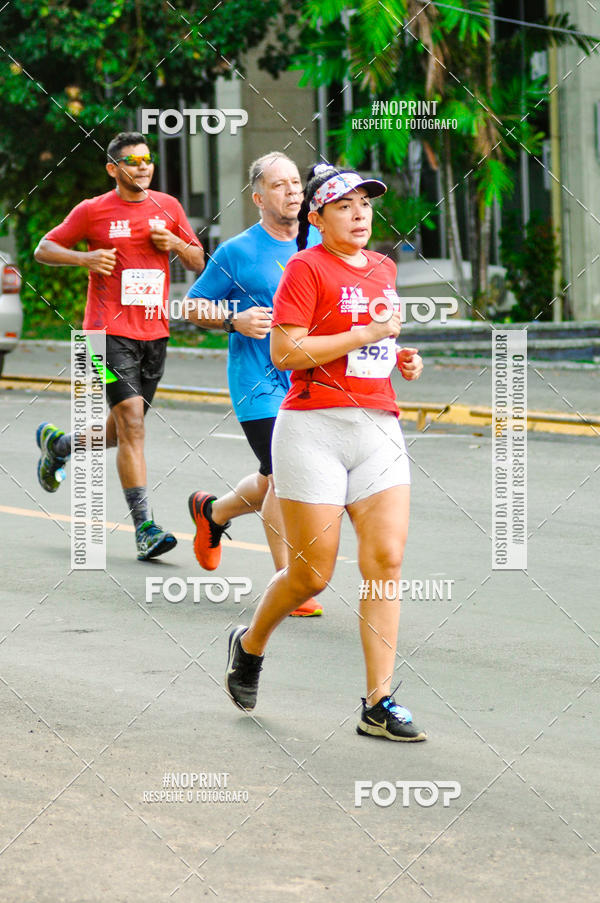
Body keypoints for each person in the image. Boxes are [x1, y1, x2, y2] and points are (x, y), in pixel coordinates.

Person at [224, 163, 427, 741]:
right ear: (317, 216)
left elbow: (376, 340)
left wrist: (401, 357)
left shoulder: (384, 267)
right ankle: (250, 644)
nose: (359, 214)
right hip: (312, 429)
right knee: (311, 576)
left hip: (377, 426)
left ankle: (378, 702)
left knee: (386, 560)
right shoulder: (305, 268)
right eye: (344, 205)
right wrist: (365, 336)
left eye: (365, 203)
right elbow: (286, 352)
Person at [34, 131, 205, 560]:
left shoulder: (168, 207)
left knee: (125, 428)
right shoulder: (93, 210)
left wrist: (175, 243)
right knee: (132, 424)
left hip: (154, 332)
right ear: (113, 169)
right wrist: (85, 258)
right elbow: (43, 248)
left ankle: (60, 446)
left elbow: (198, 260)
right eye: (133, 161)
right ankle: (145, 528)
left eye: (147, 160)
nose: (143, 167)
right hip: (105, 333)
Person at [184, 151, 322, 616]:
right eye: (279, 185)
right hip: (257, 383)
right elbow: (193, 305)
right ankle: (291, 583)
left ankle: (213, 512)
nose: (292, 192)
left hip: (307, 378)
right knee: (284, 475)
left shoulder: (319, 240)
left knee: (272, 477)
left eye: (296, 183)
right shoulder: (238, 251)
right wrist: (234, 320)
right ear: (259, 197)